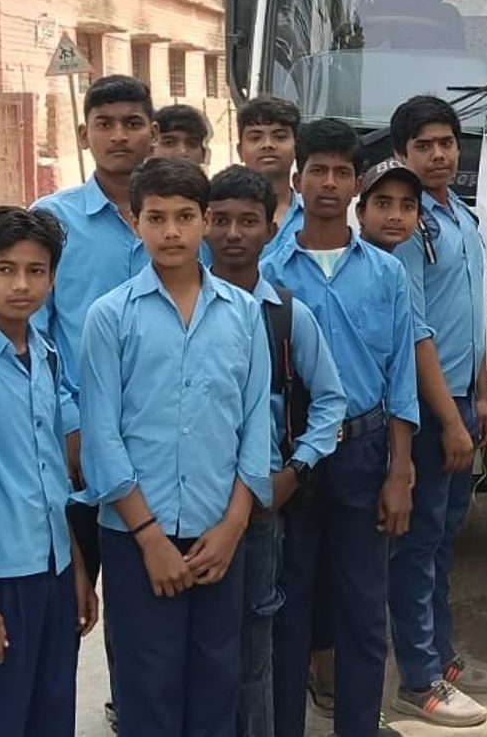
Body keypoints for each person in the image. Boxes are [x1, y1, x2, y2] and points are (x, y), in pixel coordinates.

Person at [78, 157, 272, 737]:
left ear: (206, 221)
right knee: (147, 685)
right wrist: (149, 538)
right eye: (156, 217)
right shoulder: (109, 317)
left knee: (217, 679)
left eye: (184, 216)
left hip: (219, 531)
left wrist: (234, 525)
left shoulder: (243, 313)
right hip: (137, 535)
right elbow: (102, 436)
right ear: (134, 221)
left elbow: (255, 424)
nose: (170, 231)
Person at [262, 119, 418, 737]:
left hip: (363, 450)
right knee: (288, 607)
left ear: (356, 184)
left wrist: (400, 472)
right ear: (297, 178)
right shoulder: (269, 272)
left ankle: (360, 725)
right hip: (294, 456)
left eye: (341, 172)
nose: (328, 183)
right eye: (317, 170)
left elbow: (400, 375)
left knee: (363, 609)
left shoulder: (385, 273)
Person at [205, 165, 347, 737]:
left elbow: (331, 400)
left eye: (248, 221)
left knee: (255, 647)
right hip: (194, 507)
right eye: (220, 220)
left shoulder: (287, 314)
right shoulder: (184, 309)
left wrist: (296, 470)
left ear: (271, 229)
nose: (233, 234)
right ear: (203, 225)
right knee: (206, 649)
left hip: (264, 507)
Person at [32, 72, 155, 731]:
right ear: (85, 134)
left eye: (132, 123)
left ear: (153, 133)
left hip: (157, 447)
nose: (118, 136)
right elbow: (34, 334)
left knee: (144, 605)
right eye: (104, 124)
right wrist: (72, 424)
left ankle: (133, 708)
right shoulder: (54, 221)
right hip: (75, 452)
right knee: (66, 602)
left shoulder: (175, 213)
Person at [389, 96, 487, 728]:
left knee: (444, 538)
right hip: (429, 407)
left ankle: (442, 656)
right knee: (419, 543)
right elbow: (415, 330)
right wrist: (450, 420)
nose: (438, 155)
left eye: (446, 143)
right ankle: (418, 678)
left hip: (462, 398)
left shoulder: (461, 216)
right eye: (423, 145)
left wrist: (480, 396)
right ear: (402, 154)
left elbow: (473, 316)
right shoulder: (409, 224)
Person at [0, 207, 98, 737]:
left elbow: (51, 480)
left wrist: (76, 567)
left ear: (53, 278)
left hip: (52, 570)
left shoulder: (45, 356)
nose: (21, 284)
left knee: (52, 711)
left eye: (35, 270)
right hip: (5, 575)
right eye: (4, 269)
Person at [238, 96, 304, 252]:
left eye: (280, 137)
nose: (268, 144)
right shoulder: (218, 219)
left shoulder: (315, 217)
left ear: (296, 147)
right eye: (255, 137)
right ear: (240, 151)